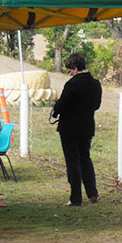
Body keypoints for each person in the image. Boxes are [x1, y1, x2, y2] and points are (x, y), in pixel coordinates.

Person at [52, 53, 102, 206]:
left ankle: (75, 198)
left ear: (74, 68)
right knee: (85, 159)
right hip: (86, 126)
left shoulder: (72, 84)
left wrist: (56, 108)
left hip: (69, 128)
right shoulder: (95, 84)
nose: (70, 73)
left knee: (72, 161)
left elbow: (62, 105)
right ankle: (92, 193)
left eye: (69, 70)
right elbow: (96, 106)